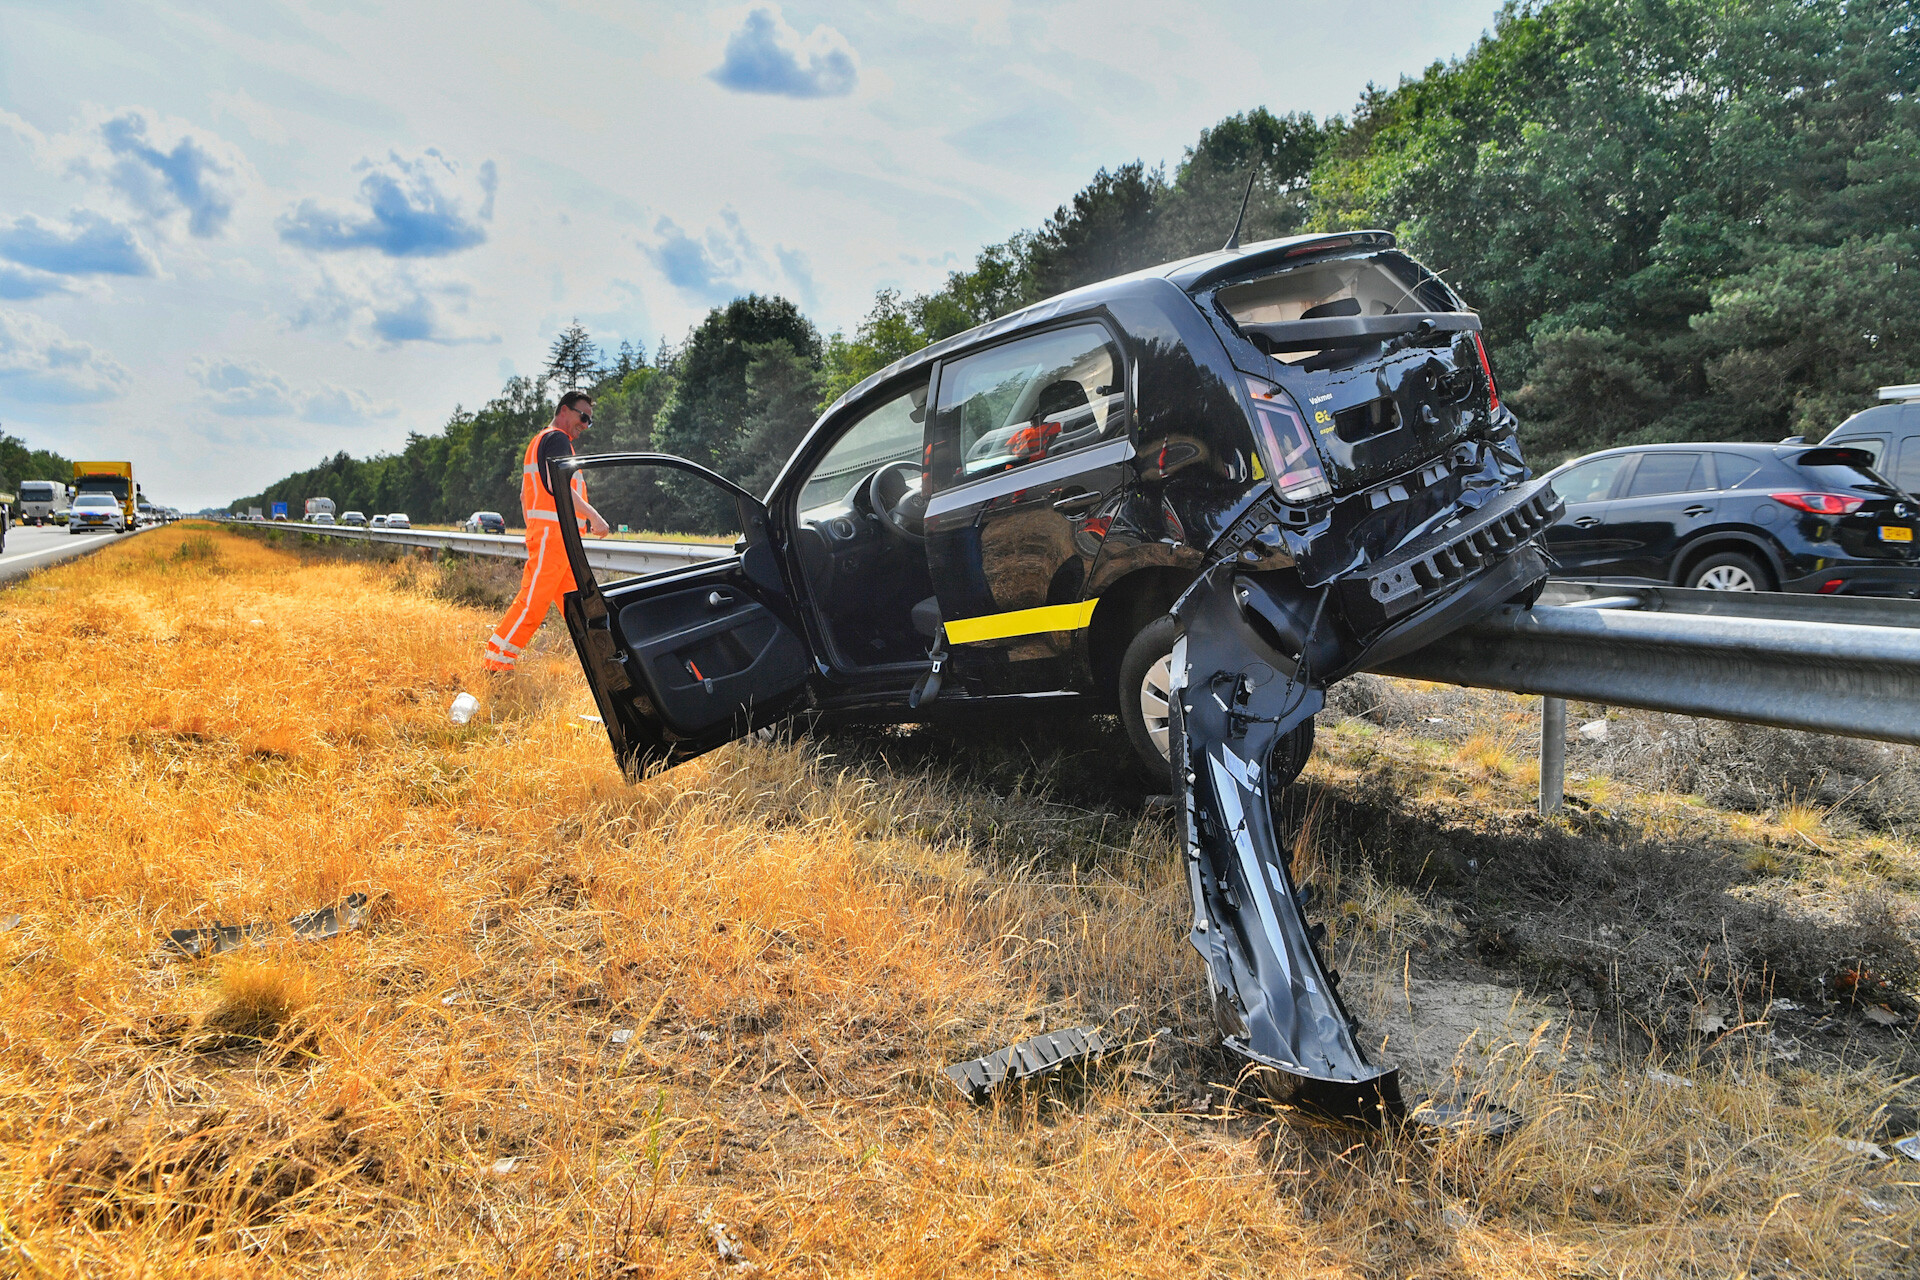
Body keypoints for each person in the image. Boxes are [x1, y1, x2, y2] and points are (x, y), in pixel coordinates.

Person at [483, 391, 610, 672]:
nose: (586, 425)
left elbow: (523, 496)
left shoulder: (542, 441)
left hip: (558, 540)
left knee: (578, 608)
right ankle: (495, 664)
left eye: (590, 420)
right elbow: (560, 485)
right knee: (533, 604)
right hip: (554, 539)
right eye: (583, 417)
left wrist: (536, 527)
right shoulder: (557, 439)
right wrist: (594, 516)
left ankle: (604, 667)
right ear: (564, 410)